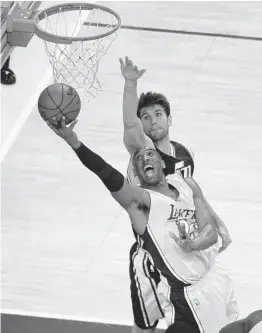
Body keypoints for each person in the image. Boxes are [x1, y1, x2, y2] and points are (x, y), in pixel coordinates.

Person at [46, 116, 238, 333]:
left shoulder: (187, 184)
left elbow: (210, 232)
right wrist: (75, 143)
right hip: (189, 297)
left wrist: (194, 244)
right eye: (139, 157)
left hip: (216, 277)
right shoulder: (140, 204)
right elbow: (108, 174)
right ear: (136, 172)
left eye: (150, 153)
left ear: (162, 163)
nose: (145, 157)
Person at [119, 56, 232, 333]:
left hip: (184, 248)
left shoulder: (184, 154)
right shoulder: (142, 152)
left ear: (169, 119)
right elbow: (130, 128)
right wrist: (130, 84)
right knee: (145, 324)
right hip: (152, 255)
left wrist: (216, 222)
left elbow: (193, 196)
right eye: (145, 117)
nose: (152, 121)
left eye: (157, 114)